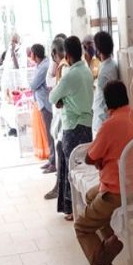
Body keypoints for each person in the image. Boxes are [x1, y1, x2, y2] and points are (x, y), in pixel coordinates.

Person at [75, 81, 133, 265]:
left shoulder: (111, 124)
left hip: (116, 191)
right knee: (90, 197)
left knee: (82, 226)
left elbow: (90, 156)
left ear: (107, 102)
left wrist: (98, 159)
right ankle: (110, 238)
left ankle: (106, 260)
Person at [49, 36, 94, 220]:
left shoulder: (70, 75)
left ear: (67, 55)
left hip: (73, 126)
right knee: (83, 167)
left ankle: (71, 208)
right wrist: (66, 99)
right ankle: (83, 205)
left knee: (71, 167)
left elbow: (53, 97)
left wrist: (62, 100)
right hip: (87, 125)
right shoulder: (86, 71)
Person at [42, 38, 70, 182]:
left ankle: (60, 185)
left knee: (63, 155)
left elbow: (53, 93)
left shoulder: (64, 68)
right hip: (63, 117)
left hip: (66, 119)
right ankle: (59, 184)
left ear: (54, 53)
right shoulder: (63, 67)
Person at [30, 43, 56, 174]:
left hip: (47, 104)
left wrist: (33, 85)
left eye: (31, 53)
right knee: (48, 133)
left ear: (35, 54)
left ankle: (54, 162)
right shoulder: (40, 65)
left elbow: (33, 84)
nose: (30, 55)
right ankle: (52, 160)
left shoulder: (44, 66)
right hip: (43, 103)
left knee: (51, 134)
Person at [91, 31, 119, 137]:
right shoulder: (111, 64)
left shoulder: (105, 71)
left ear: (98, 50)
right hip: (104, 117)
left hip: (102, 118)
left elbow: (104, 97)